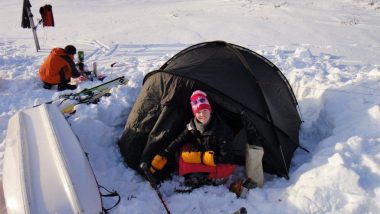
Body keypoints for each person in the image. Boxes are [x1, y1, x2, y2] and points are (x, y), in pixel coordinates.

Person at [149, 90, 236, 188]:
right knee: (183, 151)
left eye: (204, 110)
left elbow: (227, 157)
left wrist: (201, 158)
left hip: (219, 161)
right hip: (204, 154)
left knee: (226, 169)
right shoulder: (192, 125)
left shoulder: (221, 129)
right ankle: (199, 173)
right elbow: (179, 140)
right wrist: (164, 154)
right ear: (195, 114)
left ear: (210, 110)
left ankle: (206, 177)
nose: (202, 114)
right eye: (198, 112)